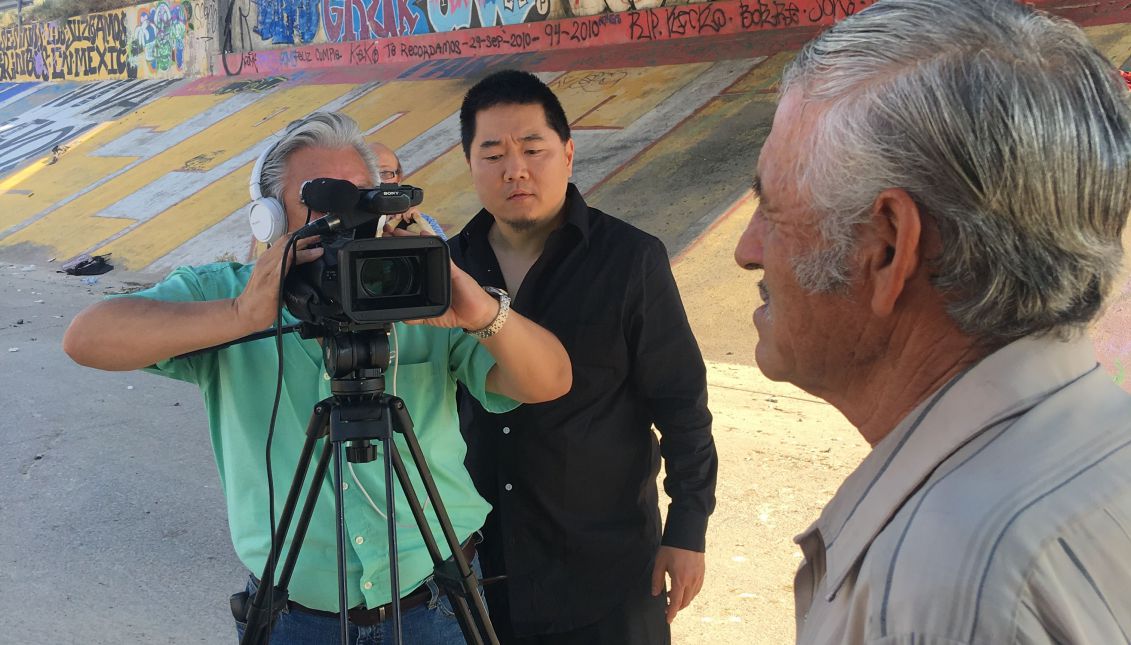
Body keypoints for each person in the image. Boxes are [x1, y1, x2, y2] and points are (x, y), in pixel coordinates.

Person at [62, 111, 572, 644]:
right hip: (295, 617)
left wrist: (483, 312)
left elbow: (551, 380)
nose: (342, 227)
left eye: (358, 204)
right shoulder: (225, 291)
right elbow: (87, 338)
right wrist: (240, 315)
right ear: (269, 221)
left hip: (437, 603)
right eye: (323, 208)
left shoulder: (417, 291)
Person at [732, 1, 1131, 643]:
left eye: (770, 208)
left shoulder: (940, 594)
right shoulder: (1102, 445)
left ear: (887, 248)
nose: (747, 249)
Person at [449, 70, 718, 644]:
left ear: (568, 154)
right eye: (492, 152)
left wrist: (688, 529)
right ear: (468, 163)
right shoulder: (446, 272)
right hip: (480, 574)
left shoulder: (630, 260)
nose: (514, 168)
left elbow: (681, 403)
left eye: (532, 148)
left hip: (609, 572)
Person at [370, 141, 447, 240]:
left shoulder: (423, 221)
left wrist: (431, 244)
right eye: (369, 173)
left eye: (384, 173)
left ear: (399, 177)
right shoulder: (346, 222)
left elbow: (447, 255)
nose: (377, 181)